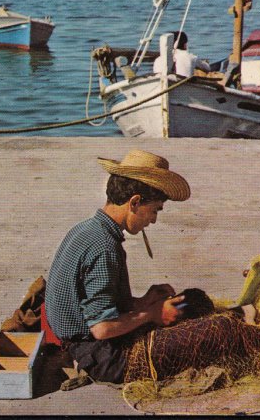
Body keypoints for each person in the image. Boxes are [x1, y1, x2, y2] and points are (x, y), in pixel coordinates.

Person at [45, 149, 191, 384]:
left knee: (184, 310)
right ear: (134, 202)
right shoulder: (105, 247)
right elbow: (102, 328)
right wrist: (151, 314)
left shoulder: (86, 229)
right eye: (154, 210)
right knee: (196, 340)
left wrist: (143, 302)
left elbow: (94, 301)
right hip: (97, 354)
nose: (153, 220)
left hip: (77, 338)